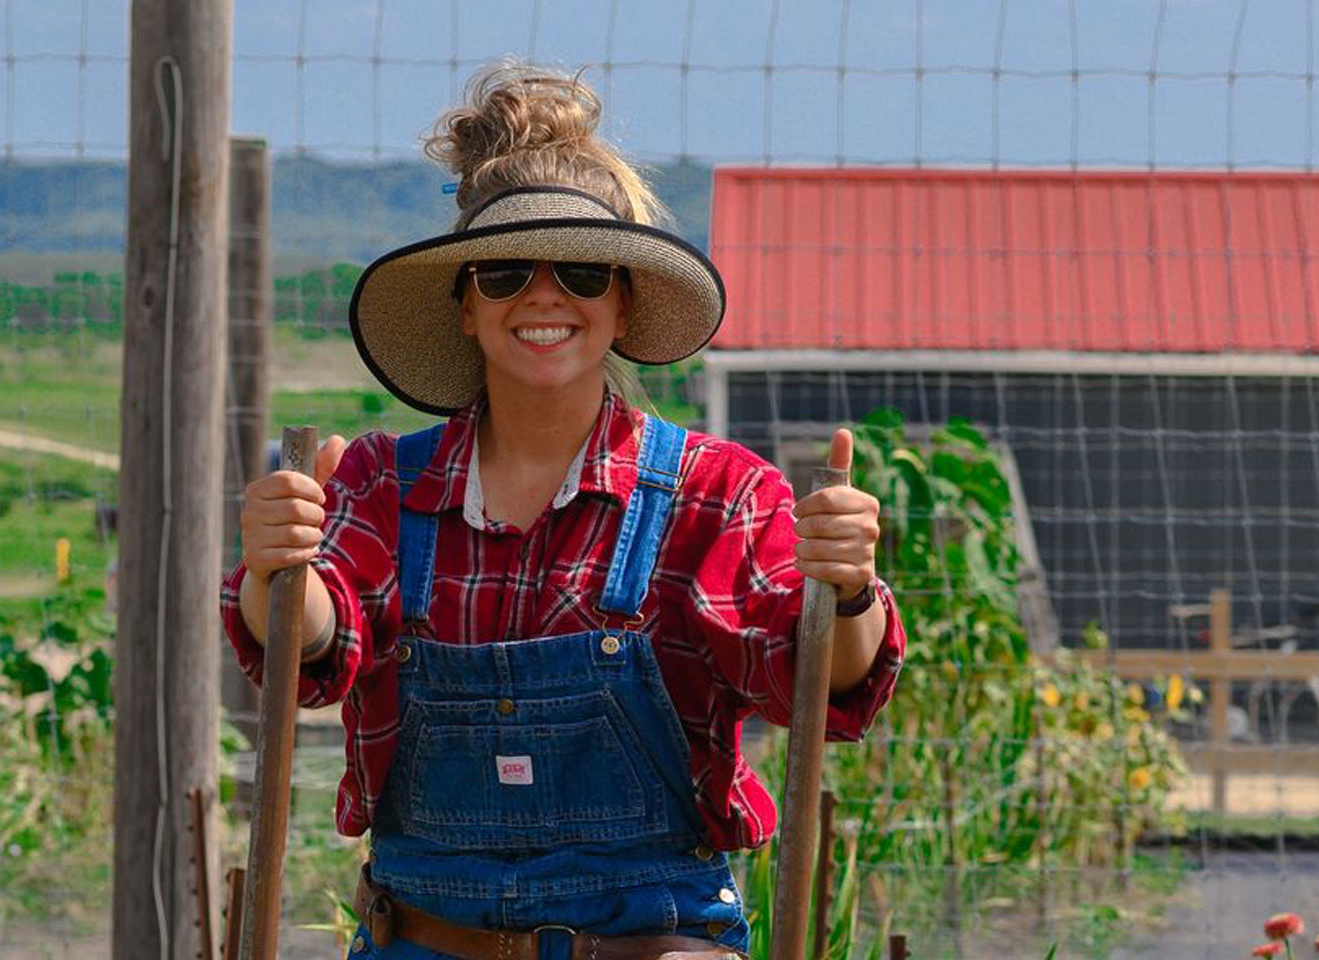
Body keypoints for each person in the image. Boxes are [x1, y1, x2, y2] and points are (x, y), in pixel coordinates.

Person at [222, 60, 906, 960]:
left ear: (623, 302)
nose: (544, 295)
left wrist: (848, 590)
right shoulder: (383, 487)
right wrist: (279, 569)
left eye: (582, 271)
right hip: (428, 941)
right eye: (504, 272)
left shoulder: (717, 493)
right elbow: (319, 645)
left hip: (652, 945)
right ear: (466, 306)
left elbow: (809, 676)